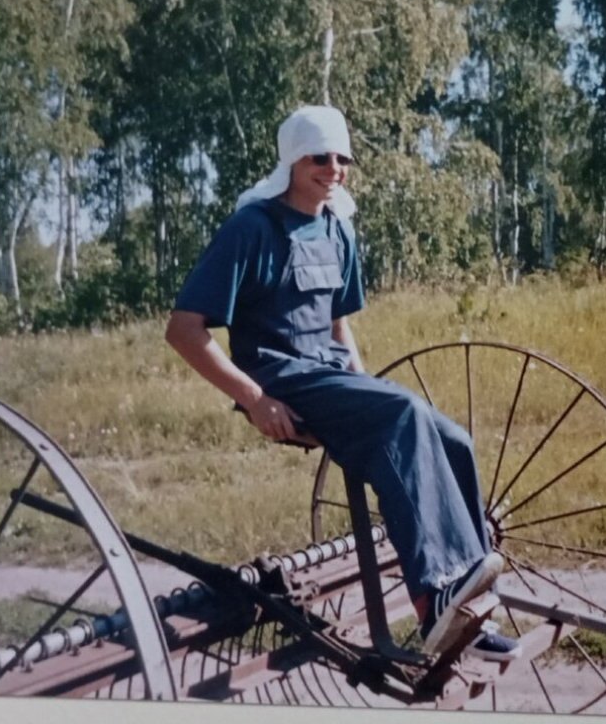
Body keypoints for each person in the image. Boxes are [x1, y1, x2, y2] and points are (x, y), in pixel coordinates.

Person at [165, 105, 521, 662]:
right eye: (319, 157)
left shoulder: (336, 226)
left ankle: (472, 610)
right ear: (291, 161)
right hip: (279, 377)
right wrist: (253, 399)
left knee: (453, 440)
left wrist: (365, 388)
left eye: (341, 157)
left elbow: (339, 325)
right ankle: (436, 604)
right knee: (404, 413)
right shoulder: (251, 229)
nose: (333, 168)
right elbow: (183, 330)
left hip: (326, 374)